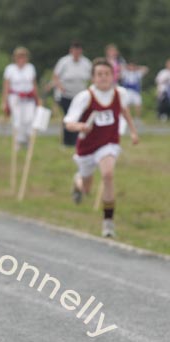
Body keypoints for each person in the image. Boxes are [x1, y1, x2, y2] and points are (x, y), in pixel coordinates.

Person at [64, 58, 139, 238]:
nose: (103, 78)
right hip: (87, 147)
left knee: (108, 174)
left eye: (107, 74)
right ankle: (78, 183)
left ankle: (108, 223)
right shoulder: (85, 97)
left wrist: (133, 132)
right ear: (93, 78)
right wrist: (81, 126)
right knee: (86, 188)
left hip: (109, 143)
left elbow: (124, 111)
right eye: (99, 74)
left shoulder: (120, 93)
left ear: (113, 76)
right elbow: (68, 123)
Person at [1, 46, 42, 149]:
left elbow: (34, 84)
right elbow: (6, 86)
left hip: (28, 98)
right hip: (15, 98)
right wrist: (4, 101)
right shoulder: (10, 69)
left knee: (29, 119)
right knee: (17, 120)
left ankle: (28, 140)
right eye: (19, 57)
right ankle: (18, 142)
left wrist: (38, 99)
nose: (21, 59)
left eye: (23, 57)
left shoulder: (30, 68)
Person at [52, 42, 92, 146]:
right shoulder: (64, 62)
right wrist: (60, 87)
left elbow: (92, 77)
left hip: (80, 96)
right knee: (68, 117)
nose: (76, 52)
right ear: (71, 51)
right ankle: (66, 141)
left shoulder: (86, 63)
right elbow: (55, 76)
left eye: (78, 50)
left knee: (79, 117)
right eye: (74, 50)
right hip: (66, 95)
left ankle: (76, 140)